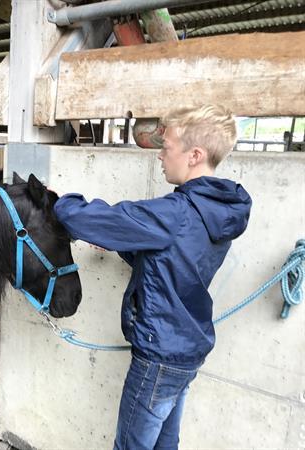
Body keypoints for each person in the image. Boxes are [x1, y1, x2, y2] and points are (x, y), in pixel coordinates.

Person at [54, 105, 252, 450]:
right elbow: (174, 260)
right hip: (187, 348)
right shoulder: (218, 212)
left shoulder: (176, 213)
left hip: (159, 355)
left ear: (194, 155)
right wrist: (120, 244)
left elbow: (87, 217)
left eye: (167, 146)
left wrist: (56, 201)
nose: (159, 155)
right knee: (165, 444)